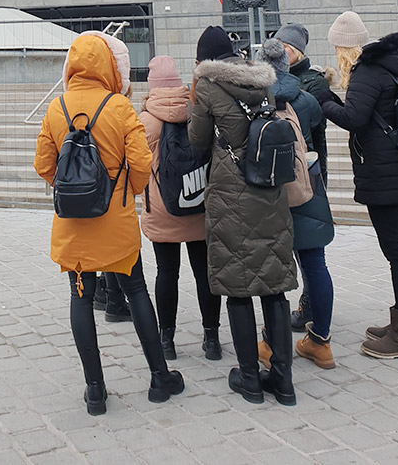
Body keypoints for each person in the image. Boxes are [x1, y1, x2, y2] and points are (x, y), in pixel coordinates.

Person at [34, 31, 184, 414]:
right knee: (136, 290)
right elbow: (141, 163)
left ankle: (96, 390)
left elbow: (43, 166)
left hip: (73, 224)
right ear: (105, 65)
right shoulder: (119, 107)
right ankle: (158, 377)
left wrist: (73, 189)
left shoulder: (55, 109)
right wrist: (122, 194)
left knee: (79, 297)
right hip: (115, 221)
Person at [188, 25, 297, 406]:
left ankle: (249, 378)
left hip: (232, 194)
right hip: (268, 189)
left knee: (237, 285)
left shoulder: (206, 86)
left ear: (206, 59)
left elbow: (198, 140)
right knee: (274, 285)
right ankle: (283, 381)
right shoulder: (262, 82)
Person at [319, 13, 398, 360]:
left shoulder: (366, 71)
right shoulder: (392, 65)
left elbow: (354, 119)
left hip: (385, 176)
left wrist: (324, 101)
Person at [258, 39, 336, 369]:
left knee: (270, 268)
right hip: (305, 187)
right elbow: (317, 138)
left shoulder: (254, 101)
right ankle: (320, 340)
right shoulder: (306, 101)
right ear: (288, 68)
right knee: (315, 263)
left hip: (266, 193)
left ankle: (270, 343)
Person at [138, 55, 222, 361]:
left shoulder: (145, 120)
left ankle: (166, 341)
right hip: (199, 203)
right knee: (204, 273)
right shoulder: (196, 109)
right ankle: (211, 339)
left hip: (163, 208)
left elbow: (136, 165)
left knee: (166, 273)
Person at [274, 22, 332, 329]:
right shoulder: (303, 92)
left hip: (307, 173)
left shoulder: (313, 84)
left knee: (311, 256)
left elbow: (318, 137)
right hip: (301, 174)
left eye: (286, 46)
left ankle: (311, 309)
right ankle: (314, 319)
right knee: (304, 255)